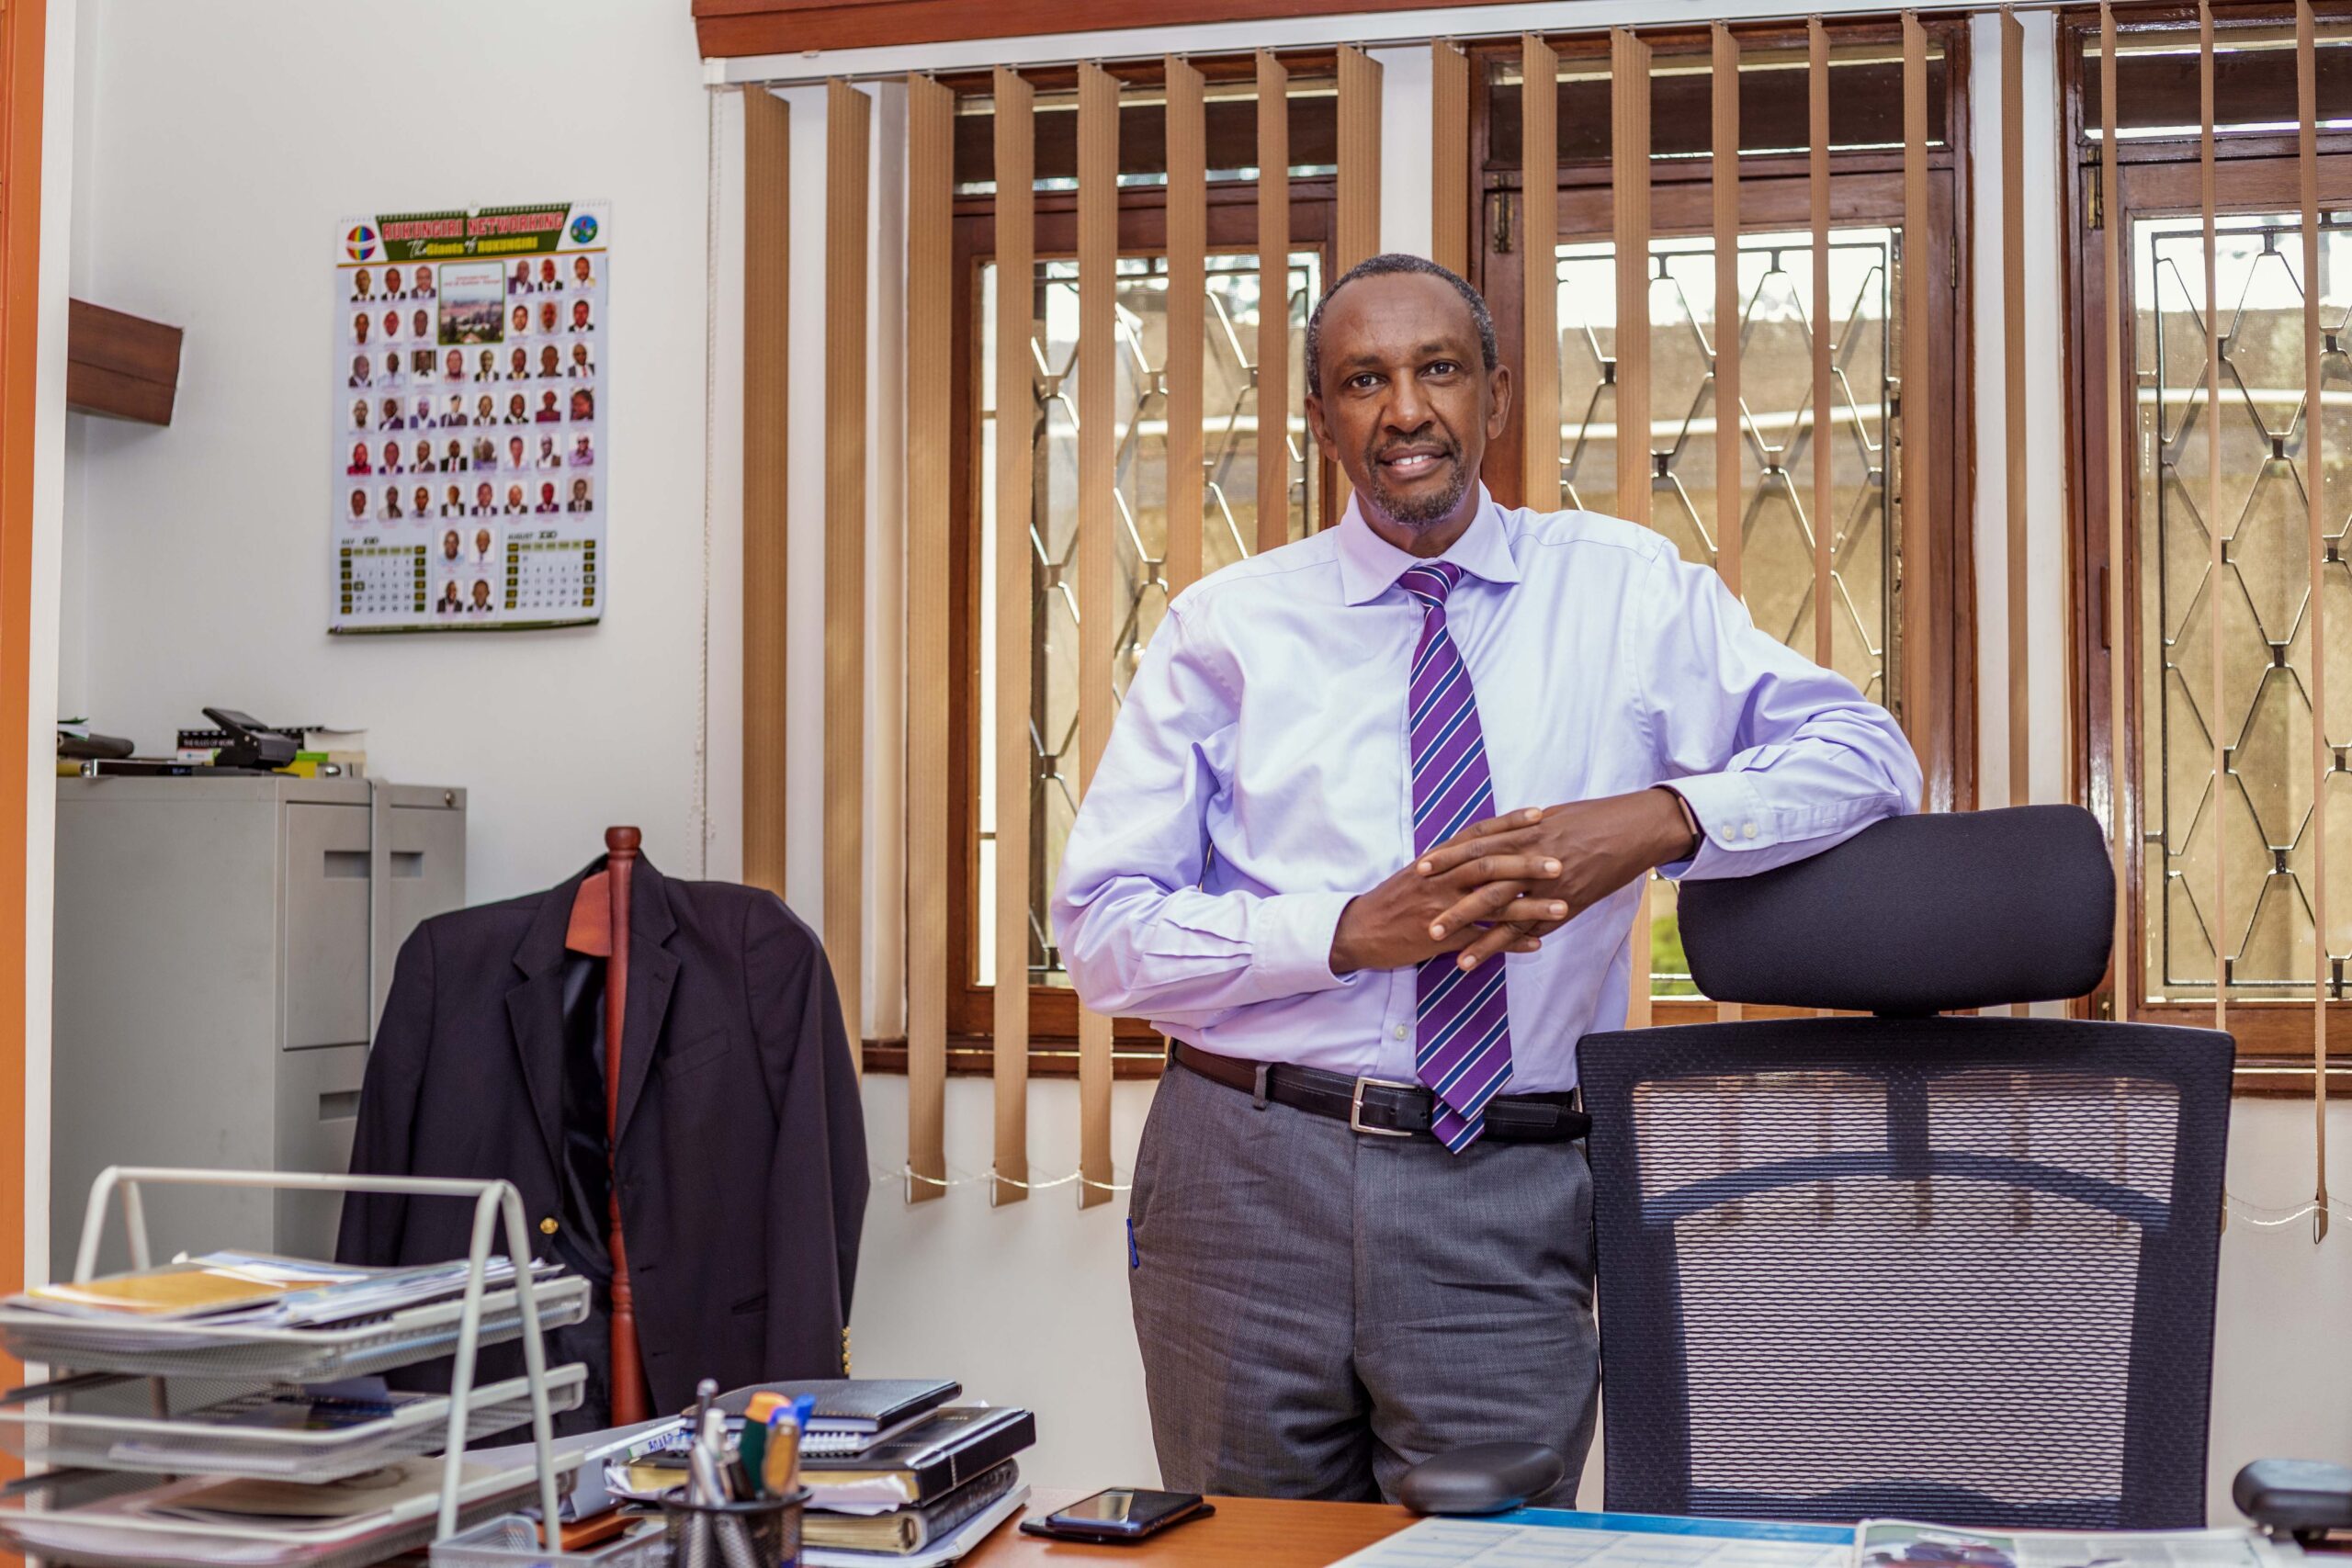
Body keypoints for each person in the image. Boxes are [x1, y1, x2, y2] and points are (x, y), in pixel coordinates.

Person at [1051, 254, 1921, 1507]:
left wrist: (1659, 820)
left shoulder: (1626, 593)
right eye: (1365, 381)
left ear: (1496, 397)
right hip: (1245, 1179)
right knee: (1248, 1554)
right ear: (1322, 421)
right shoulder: (1226, 628)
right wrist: (1348, 931)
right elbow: (1101, 931)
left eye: (1439, 370)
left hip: (1505, 1184)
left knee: (1493, 1554)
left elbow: (1866, 755)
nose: (1405, 410)